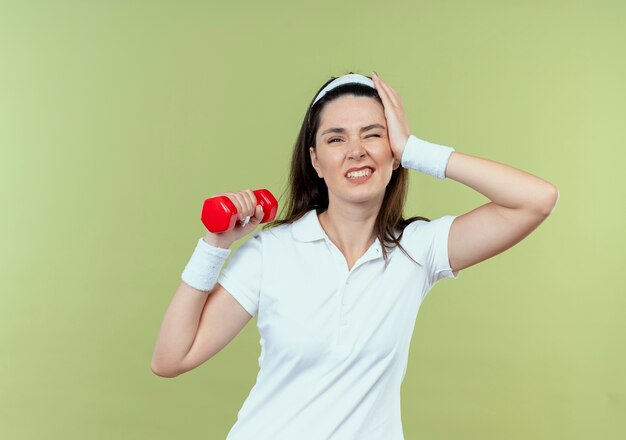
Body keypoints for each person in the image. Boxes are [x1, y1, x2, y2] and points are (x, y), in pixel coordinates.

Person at [151, 72, 559, 439]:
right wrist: (215, 245)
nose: (356, 150)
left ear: (394, 153)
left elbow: (535, 201)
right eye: (336, 138)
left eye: (373, 134)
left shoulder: (418, 249)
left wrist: (417, 150)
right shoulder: (271, 253)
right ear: (315, 161)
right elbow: (171, 358)